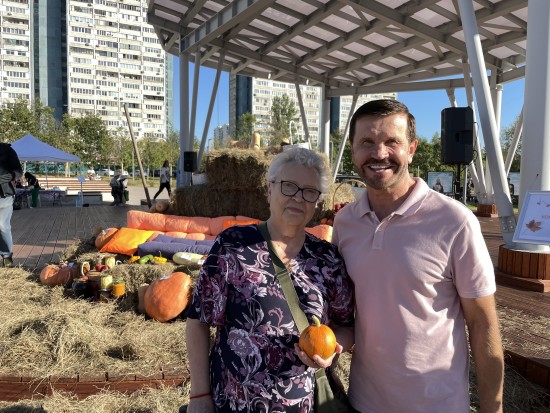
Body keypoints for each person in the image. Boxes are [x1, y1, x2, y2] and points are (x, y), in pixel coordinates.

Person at [332, 99, 504, 413]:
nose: (379, 153)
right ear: (353, 152)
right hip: (363, 401)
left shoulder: (454, 221)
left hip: (436, 404)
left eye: (391, 142)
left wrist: (494, 408)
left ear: (411, 149)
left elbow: (482, 323)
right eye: (367, 143)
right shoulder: (345, 223)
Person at [185, 148, 355, 413]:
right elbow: (198, 321)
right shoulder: (233, 246)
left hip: (303, 405)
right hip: (234, 402)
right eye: (288, 187)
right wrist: (199, 396)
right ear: (269, 190)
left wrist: (333, 350)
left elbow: (346, 324)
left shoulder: (327, 259)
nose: (298, 198)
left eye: (309, 191)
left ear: (317, 201)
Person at [0, 143, 23, 267]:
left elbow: (18, 172)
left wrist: (1, 179)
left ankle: (7, 255)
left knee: (3, 226)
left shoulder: (7, 151)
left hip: (4, 195)